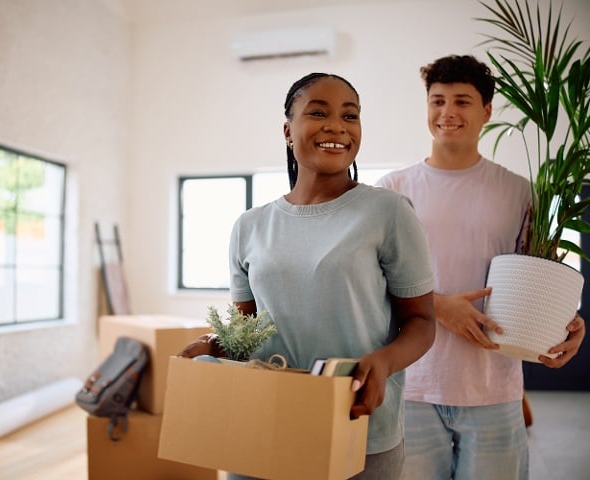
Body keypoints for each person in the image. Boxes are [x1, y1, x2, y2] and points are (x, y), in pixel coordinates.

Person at [180, 72, 437, 480]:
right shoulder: (249, 226)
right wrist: (214, 345)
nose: (337, 126)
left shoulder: (388, 212)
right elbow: (247, 330)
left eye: (350, 116)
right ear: (288, 130)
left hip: (357, 430)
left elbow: (422, 322)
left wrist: (384, 362)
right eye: (318, 112)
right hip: (260, 424)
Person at [376, 54, 586, 480]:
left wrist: (565, 322)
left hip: (494, 388)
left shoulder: (520, 192)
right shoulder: (392, 190)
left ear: (487, 111)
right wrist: (438, 307)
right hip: (413, 386)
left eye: (462, 101)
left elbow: (537, 280)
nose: (447, 113)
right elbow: (369, 281)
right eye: (437, 101)